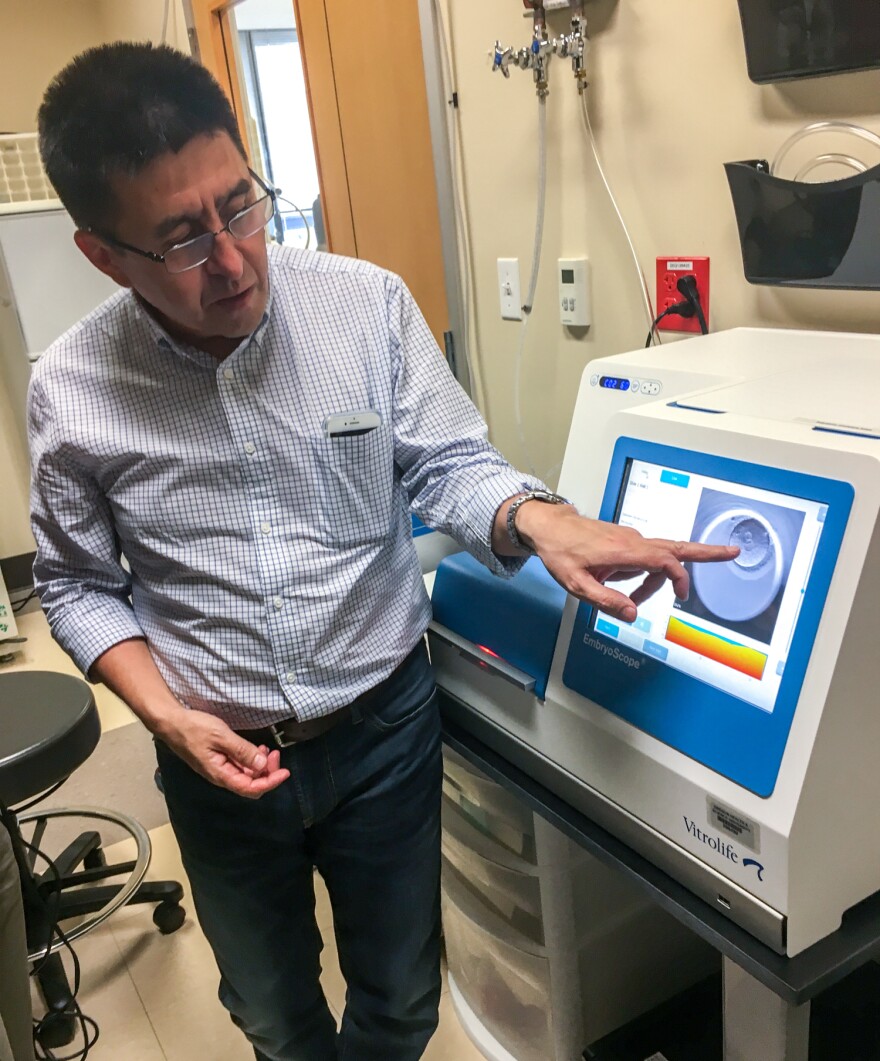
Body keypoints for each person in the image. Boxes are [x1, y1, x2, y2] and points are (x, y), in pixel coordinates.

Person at [30, 42, 736, 1061]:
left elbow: (447, 463)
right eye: (181, 240)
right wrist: (167, 715)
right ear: (103, 253)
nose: (232, 259)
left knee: (403, 998)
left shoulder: (364, 305)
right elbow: (77, 583)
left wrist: (538, 519)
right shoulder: (74, 387)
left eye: (240, 205)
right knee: (273, 1009)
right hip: (216, 752)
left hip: (384, 729)